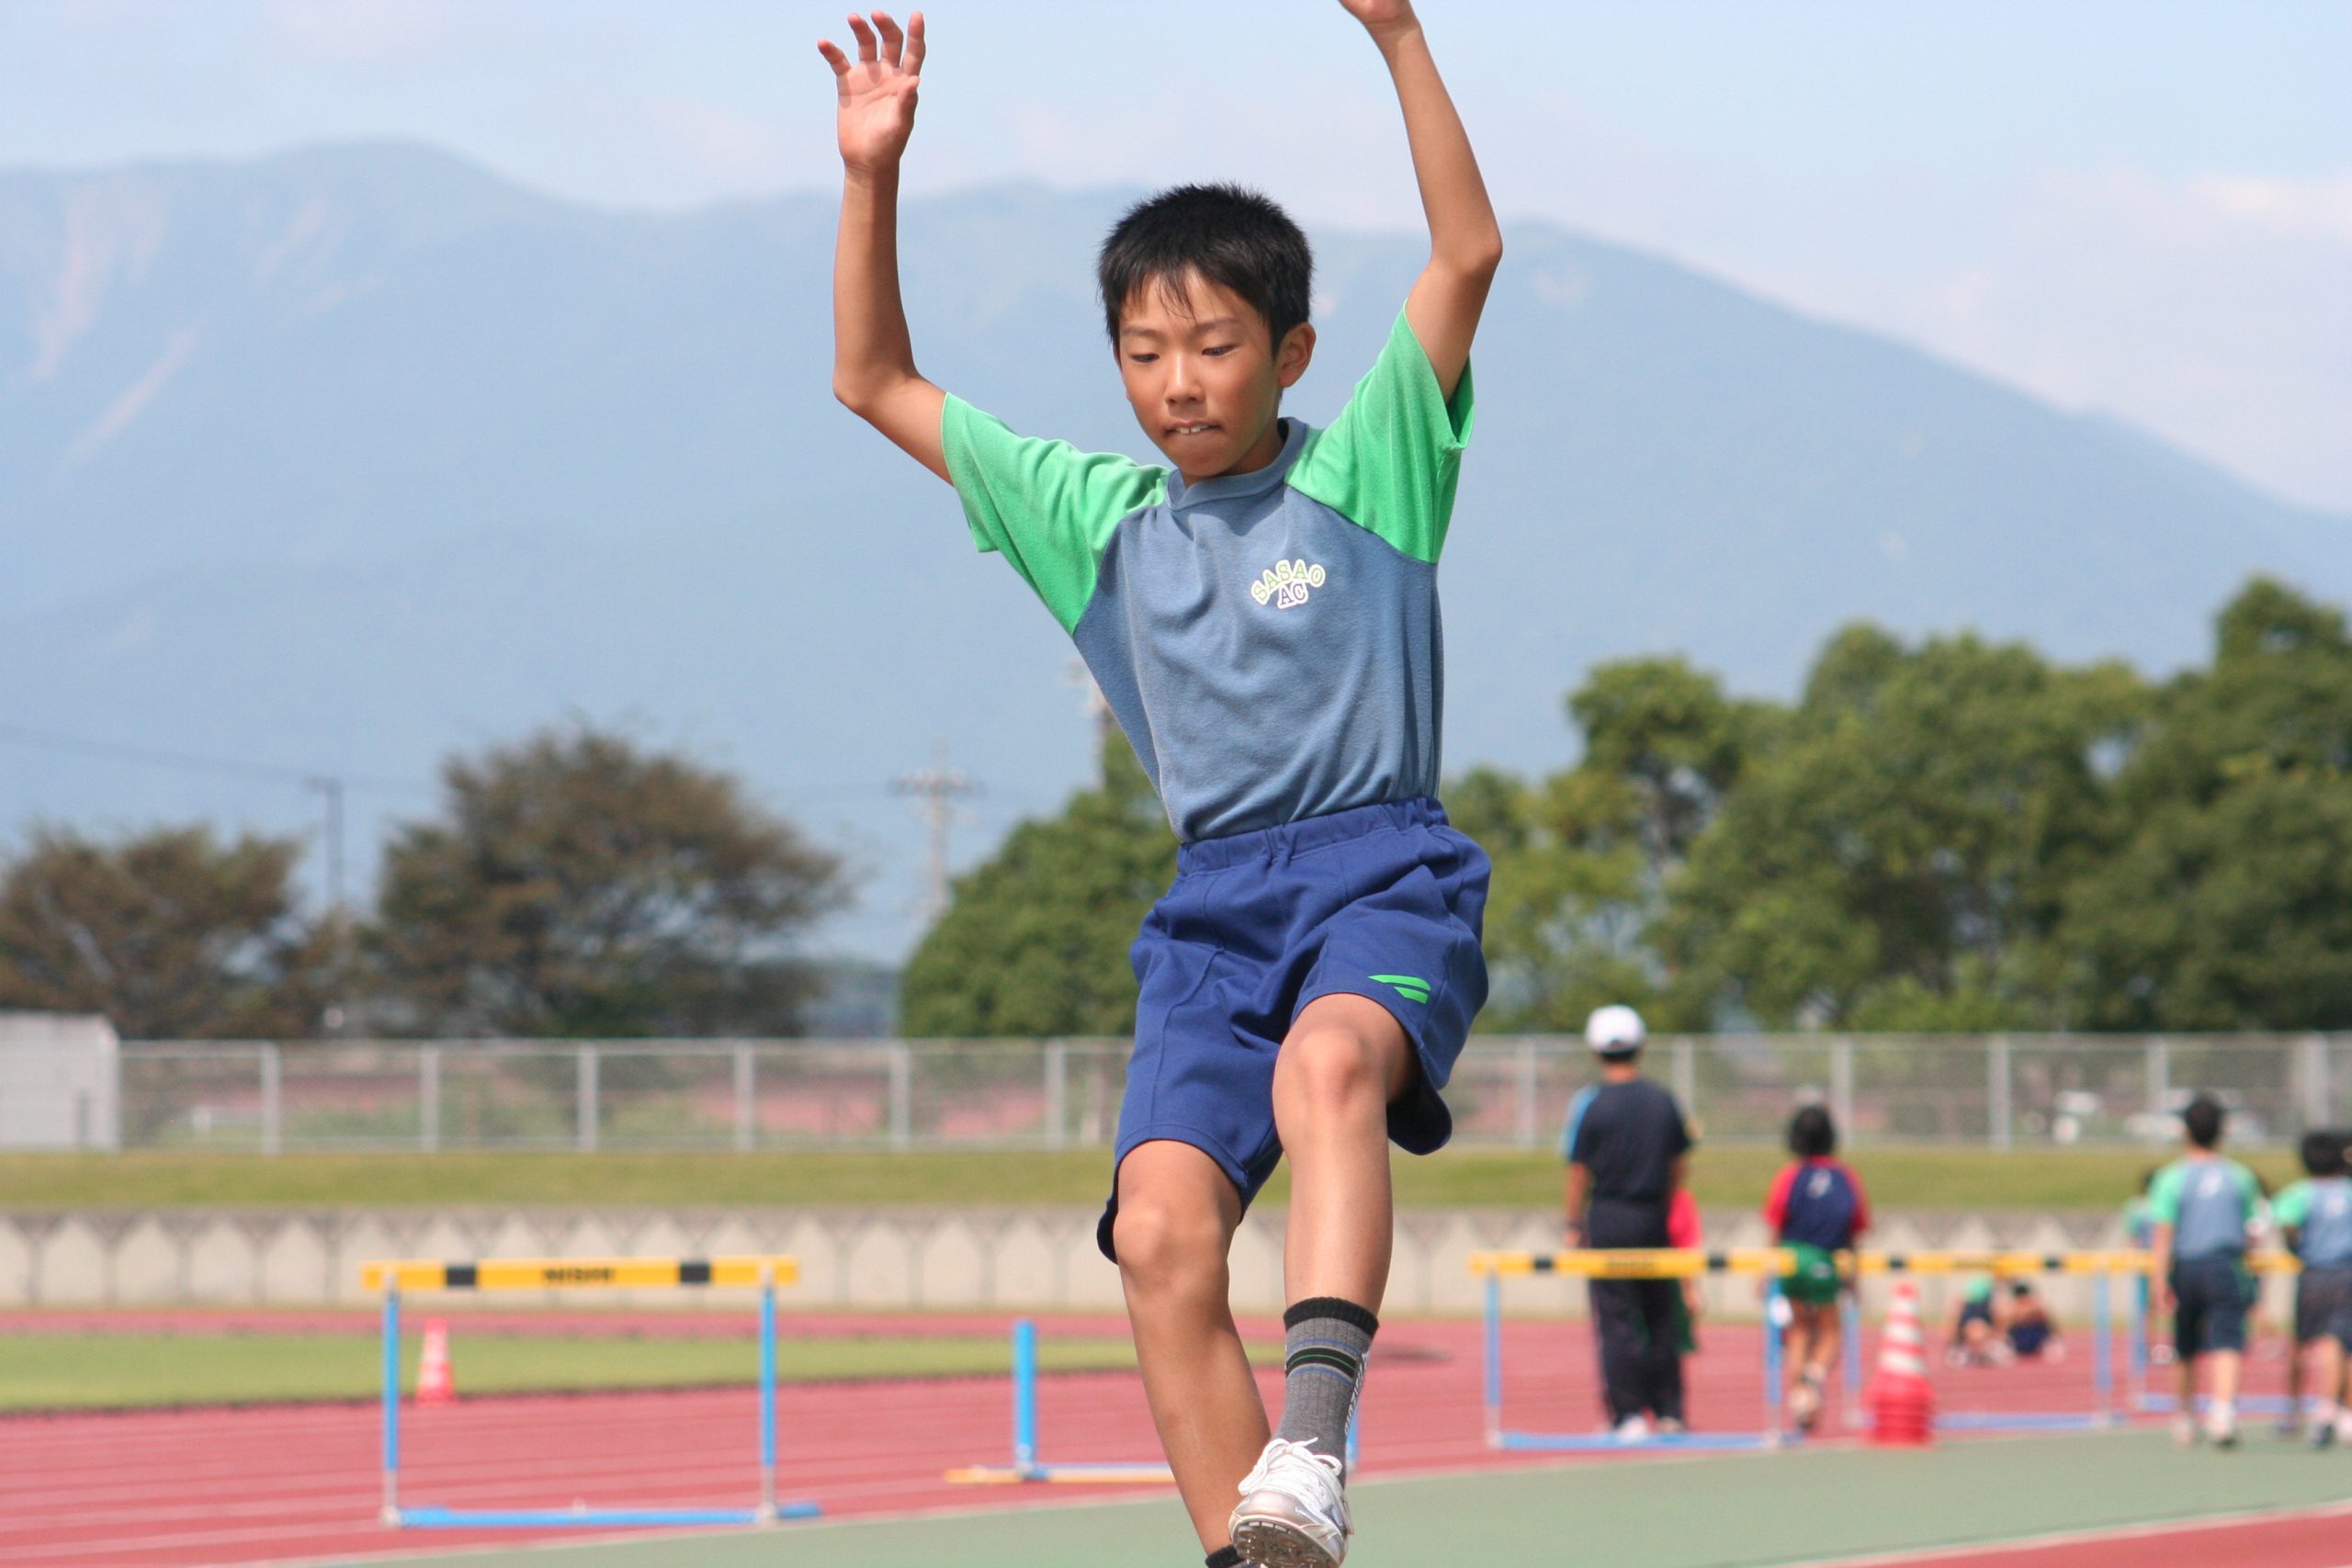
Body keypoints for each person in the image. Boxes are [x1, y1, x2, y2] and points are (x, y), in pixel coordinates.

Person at [820, 6, 1500, 1562]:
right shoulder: (1094, 516)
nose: (1179, 383)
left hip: (1379, 873)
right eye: (1144, 353)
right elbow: (871, 378)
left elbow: (1464, 254)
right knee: (1160, 1238)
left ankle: (1313, 1444)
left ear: (1291, 354)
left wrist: (1395, 32)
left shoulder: (1370, 465)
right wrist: (874, 171)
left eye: (1214, 347)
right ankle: (1253, 1553)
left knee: (1328, 1069)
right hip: (1210, 911)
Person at [1563, 1004, 1696, 1439]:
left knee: (1616, 1319)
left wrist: (1572, 1223)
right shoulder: (1663, 1100)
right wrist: (1666, 1201)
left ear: (1596, 1049)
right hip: (1653, 1215)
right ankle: (1670, 1410)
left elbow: (1578, 1172)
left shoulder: (1593, 1105)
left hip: (1608, 1218)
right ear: (1641, 1046)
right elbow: (1679, 1164)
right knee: (1659, 1314)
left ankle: (1628, 1415)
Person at [2148, 1092, 2267, 1448]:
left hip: (2186, 1265)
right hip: (2226, 1265)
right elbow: (2253, 1231)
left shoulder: (2171, 1178)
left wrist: (2158, 1279)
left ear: (2185, 1131)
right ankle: (2222, 1412)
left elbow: (2163, 1233)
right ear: (2223, 1131)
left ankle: (2184, 1417)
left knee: (2185, 1344)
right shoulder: (2241, 1177)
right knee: (2227, 1340)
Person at [1762, 1104, 1869, 1433]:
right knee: (1831, 1331)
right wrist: (1853, 1276)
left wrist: (1768, 1269)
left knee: (1799, 1332)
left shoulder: (1790, 1176)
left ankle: (1802, 1402)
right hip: (1823, 1260)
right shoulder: (1845, 1177)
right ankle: (1814, 1376)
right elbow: (1854, 1229)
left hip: (1792, 1257)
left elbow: (1776, 1225)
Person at [2273, 1129, 2352, 1447]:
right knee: (2341, 1343)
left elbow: (2286, 1223)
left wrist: (2296, 1244)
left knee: (2306, 1341)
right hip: (2346, 1273)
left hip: (2314, 1273)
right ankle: (2339, 1411)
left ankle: (2300, 1411)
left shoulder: (2299, 1193)